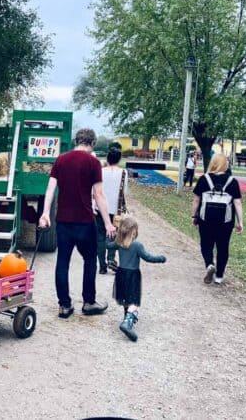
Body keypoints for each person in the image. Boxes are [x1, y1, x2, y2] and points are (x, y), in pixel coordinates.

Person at [38, 128, 116, 318]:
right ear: (92, 143)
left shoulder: (61, 160)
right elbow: (98, 195)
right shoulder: (93, 162)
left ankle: (64, 305)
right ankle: (89, 302)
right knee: (90, 260)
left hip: (63, 221)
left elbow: (50, 189)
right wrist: (108, 223)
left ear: (76, 141)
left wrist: (45, 213)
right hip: (84, 221)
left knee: (62, 261)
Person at [106, 217, 166, 341]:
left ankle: (126, 317)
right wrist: (161, 258)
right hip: (133, 275)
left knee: (125, 297)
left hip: (121, 273)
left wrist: (110, 235)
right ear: (134, 232)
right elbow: (148, 257)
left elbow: (108, 245)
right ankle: (128, 323)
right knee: (134, 300)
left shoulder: (119, 243)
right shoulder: (137, 245)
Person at [190, 154, 244, 285]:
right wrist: (240, 222)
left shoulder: (204, 179)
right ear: (226, 165)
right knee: (223, 247)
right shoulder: (232, 181)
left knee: (206, 244)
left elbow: (196, 200)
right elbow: (237, 203)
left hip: (206, 219)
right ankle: (219, 276)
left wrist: (193, 215)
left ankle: (209, 264)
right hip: (225, 222)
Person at [95, 148, 126, 274]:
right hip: (116, 209)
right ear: (119, 159)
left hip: (100, 208)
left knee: (100, 237)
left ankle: (102, 265)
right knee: (113, 235)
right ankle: (111, 260)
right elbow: (125, 192)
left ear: (107, 158)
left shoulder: (100, 171)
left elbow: (95, 191)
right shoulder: (123, 172)